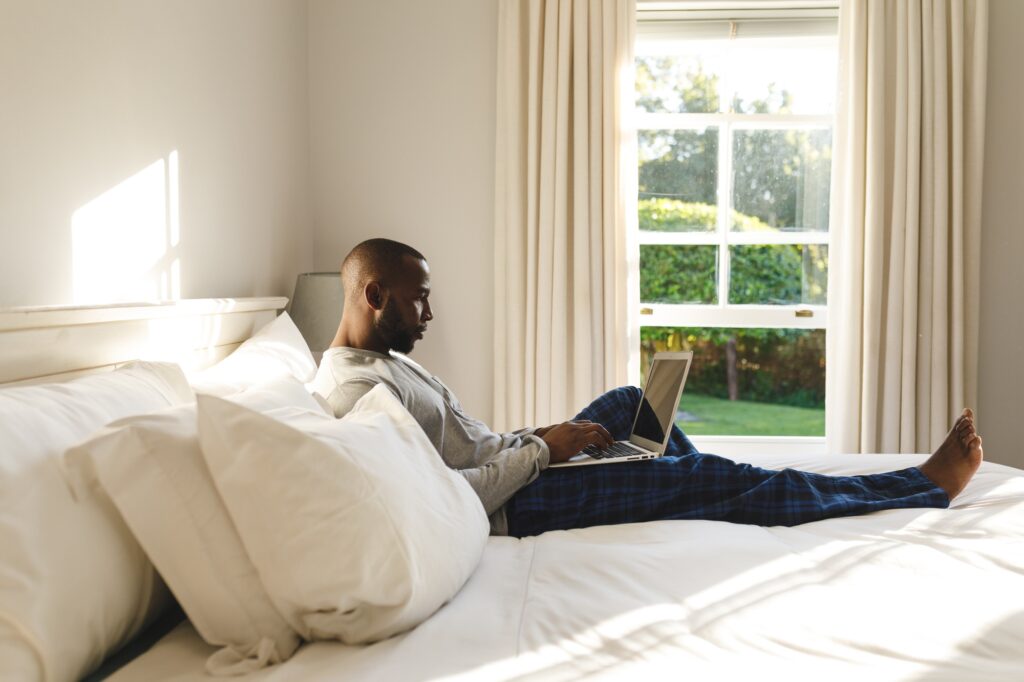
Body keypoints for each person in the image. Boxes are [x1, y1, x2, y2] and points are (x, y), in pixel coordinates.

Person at [309, 238, 984, 537]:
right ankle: (919, 486)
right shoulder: (357, 395)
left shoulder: (385, 364)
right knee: (720, 475)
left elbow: (470, 447)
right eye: (417, 301)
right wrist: (547, 451)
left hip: (524, 465)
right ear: (373, 294)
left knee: (631, 403)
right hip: (519, 507)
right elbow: (450, 498)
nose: (429, 316)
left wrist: (543, 436)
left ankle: (676, 473)